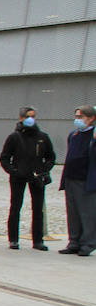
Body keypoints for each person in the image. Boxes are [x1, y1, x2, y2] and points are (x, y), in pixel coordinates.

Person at [0, 107, 55, 251]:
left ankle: (38, 240)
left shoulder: (42, 137)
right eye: (28, 116)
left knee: (38, 209)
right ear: (21, 118)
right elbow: (4, 158)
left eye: (33, 116)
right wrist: (14, 171)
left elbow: (51, 157)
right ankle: (13, 240)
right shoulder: (14, 137)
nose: (31, 119)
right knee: (16, 207)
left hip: (37, 177)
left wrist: (44, 170)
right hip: (19, 177)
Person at [59, 104, 96, 256]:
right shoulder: (73, 135)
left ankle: (88, 243)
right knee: (72, 213)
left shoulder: (93, 136)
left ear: (91, 118)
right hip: (71, 178)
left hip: (85, 180)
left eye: (81, 117)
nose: (78, 120)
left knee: (87, 213)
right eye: (76, 117)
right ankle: (74, 241)